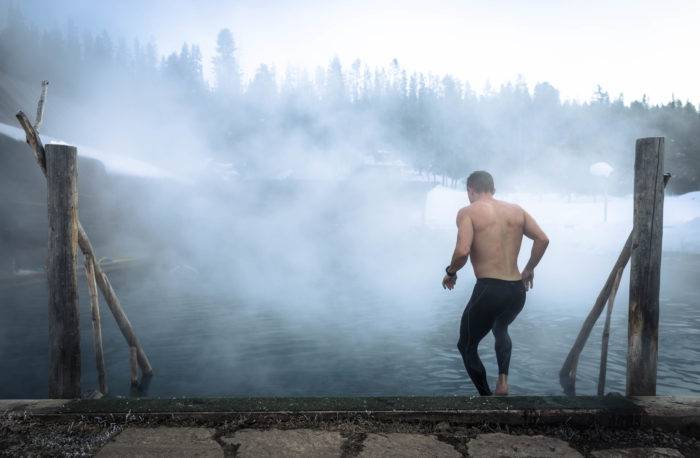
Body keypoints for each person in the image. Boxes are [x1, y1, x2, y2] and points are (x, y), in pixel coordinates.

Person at [442, 171, 549, 396]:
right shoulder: (517, 211)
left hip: (490, 289)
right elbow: (543, 239)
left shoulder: (468, 212)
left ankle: (486, 399)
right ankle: (503, 382)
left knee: (466, 346)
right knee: (500, 328)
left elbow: (462, 251)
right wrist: (528, 269)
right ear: (493, 189)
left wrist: (451, 272)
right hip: (517, 290)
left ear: (470, 189)